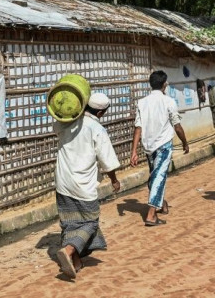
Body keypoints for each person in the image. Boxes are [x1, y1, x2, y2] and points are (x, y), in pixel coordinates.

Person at [54, 92, 121, 279]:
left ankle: (75, 262)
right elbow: (107, 159)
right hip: (82, 184)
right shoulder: (96, 128)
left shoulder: (66, 122)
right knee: (90, 222)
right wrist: (114, 180)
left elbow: (56, 125)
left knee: (70, 221)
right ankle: (68, 250)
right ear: (101, 113)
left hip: (62, 182)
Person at [131, 71, 190, 227]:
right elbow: (177, 126)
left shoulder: (142, 102)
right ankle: (151, 215)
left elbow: (138, 127)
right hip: (163, 146)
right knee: (158, 177)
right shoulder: (169, 101)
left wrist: (134, 151)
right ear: (165, 85)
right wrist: (185, 142)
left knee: (154, 176)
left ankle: (162, 204)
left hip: (148, 146)